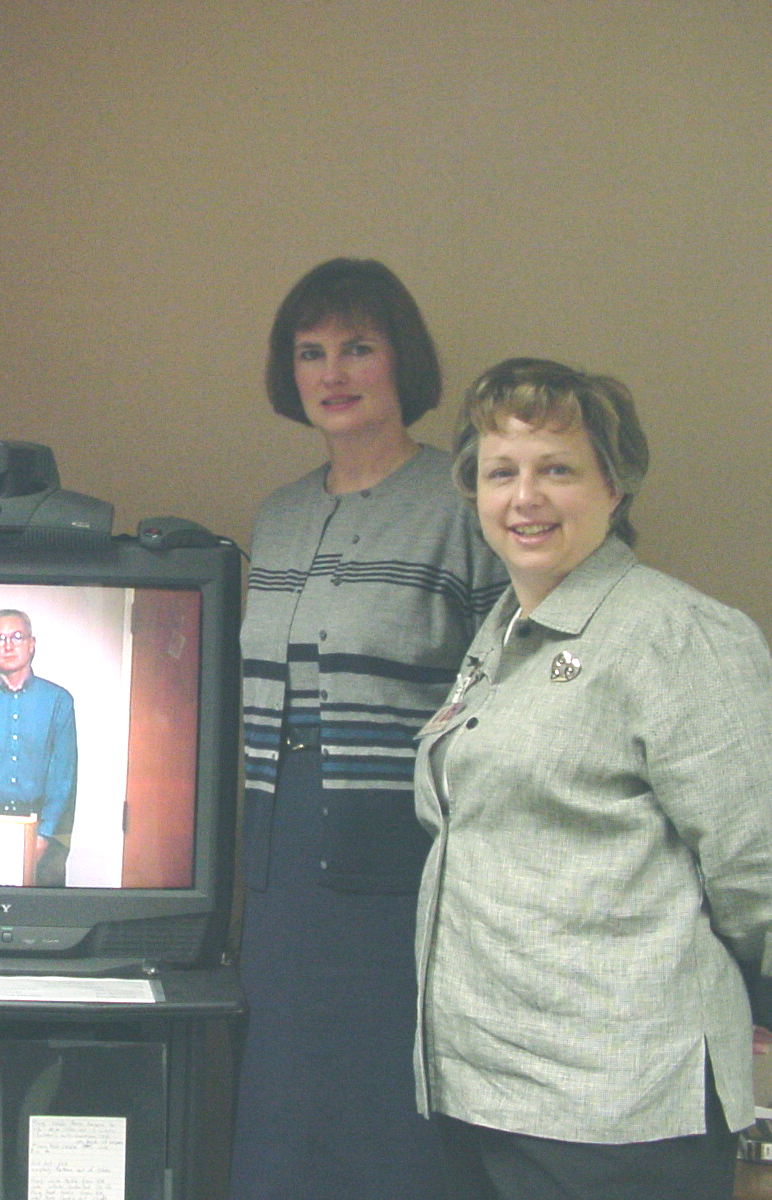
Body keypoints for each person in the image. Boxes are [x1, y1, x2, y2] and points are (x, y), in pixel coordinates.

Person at [413, 357, 772, 1200]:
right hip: (492, 1089)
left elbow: (771, 843)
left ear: (616, 486)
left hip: (619, 1108)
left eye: (558, 468)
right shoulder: (504, 634)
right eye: (501, 472)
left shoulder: (674, 634)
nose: (526, 497)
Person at [230, 257, 508, 1200]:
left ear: (402, 363)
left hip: (409, 866)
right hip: (276, 868)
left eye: (358, 346)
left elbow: (511, 697)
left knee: (392, 1126)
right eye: (311, 352)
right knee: (282, 1115)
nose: (333, 372)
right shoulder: (277, 516)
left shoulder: (466, 505)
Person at [0, 610, 78, 887]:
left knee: (42, 922)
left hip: (44, 828)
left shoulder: (58, 701)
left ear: (32, 644)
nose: (8, 645)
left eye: (17, 637)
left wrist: (41, 838)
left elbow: (63, 779)